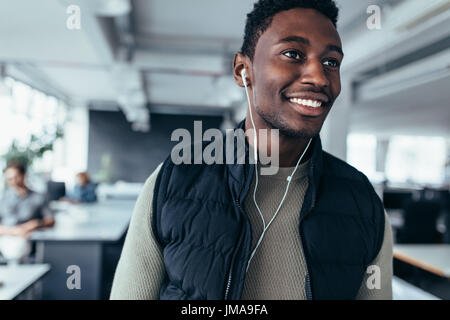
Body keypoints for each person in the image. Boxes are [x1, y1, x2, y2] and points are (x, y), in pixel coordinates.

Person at [111, 0, 393, 300]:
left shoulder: (363, 202)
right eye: (293, 54)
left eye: (331, 62)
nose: (319, 77)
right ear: (244, 71)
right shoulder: (173, 181)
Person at [0, 162, 54, 238]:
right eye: (9, 179)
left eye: (16, 177)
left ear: (24, 175)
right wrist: (12, 231)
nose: (13, 181)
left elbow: (50, 220)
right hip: (6, 235)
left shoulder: (38, 197)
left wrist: (36, 223)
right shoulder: (3, 197)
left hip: (28, 236)